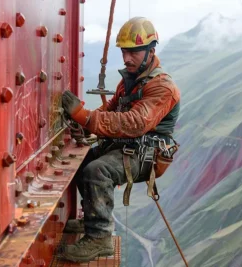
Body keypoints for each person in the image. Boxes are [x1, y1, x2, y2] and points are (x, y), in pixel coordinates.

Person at [57, 17, 181, 263]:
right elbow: (112, 111)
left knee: (98, 170)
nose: (126, 58)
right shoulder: (129, 82)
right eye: (124, 51)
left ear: (150, 51)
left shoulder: (162, 87)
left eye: (133, 52)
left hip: (146, 154)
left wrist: (84, 116)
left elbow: (136, 123)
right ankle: (93, 219)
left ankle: (100, 238)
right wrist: (86, 122)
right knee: (84, 163)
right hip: (128, 147)